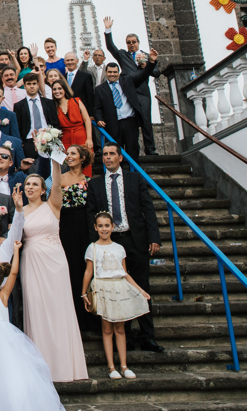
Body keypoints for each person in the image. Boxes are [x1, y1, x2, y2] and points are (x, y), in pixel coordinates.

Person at [0, 242, 63, 411]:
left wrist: (16, 250)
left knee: (9, 375)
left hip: (4, 343)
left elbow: (14, 272)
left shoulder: (2, 295)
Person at [87, 142, 163, 353]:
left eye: (112, 154)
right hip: (111, 243)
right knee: (118, 288)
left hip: (135, 238)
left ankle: (147, 335)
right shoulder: (96, 184)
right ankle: (126, 336)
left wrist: (153, 237)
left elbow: (148, 208)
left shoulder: (134, 178)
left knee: (142, 287)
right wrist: (96, 244)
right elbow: (91, 214)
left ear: (120, 157)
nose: (108, 157)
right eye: (105, 155)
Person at [18, 160, 88, 382]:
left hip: (55, 262)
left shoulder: (52, 205)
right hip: (31, 262)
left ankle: (66, 366)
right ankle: (43, 366)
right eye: (27, 184)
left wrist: (56, 160)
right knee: (36, 308)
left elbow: (57, 184)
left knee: (60, 309)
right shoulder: (20, 209)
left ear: (42, 189)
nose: (30, 187)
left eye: (34, 184)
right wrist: (17, 211)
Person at [83, 210, 151, 380]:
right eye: (100, 226)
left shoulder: (119, 248)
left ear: (113, 227)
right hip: (103, 288)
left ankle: (124, 365)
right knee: (107, 329)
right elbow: (88, 272)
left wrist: (140, 290)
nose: (104, 229)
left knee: (120, 328)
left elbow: (125, 272)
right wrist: (84, 293)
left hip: (119, 287)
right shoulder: (93, 247)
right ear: (95, 227)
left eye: (107, 225)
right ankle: (111, 367)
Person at [103, 17, 162, 156]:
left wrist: (146, 65)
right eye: (128, 42)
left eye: (133, 42)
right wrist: (108, 30)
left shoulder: (148, 56)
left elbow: (157, 73)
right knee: (130, 123)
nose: (131, 44)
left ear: (138, 43)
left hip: (142, 93)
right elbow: (111, 46)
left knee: (146, 121)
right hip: (127, 93)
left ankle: (150, 149)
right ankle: (131, 150)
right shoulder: (122, 55)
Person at [92, 52, 159, 165]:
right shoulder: (100, 89)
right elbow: (97, 108)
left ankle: (134, 176)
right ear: (106, 73)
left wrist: (151, 62)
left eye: (115, 72)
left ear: (119, 73)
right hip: (113, 124)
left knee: (132, 150)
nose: (112, 75)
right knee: (115, 153)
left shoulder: (127, 81)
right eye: (110, 72)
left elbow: (142, 75)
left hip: (130, 122)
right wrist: (99, 119)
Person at [59, 144, 97, 333]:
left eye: (73, 153)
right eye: (67, 154)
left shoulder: (90, 182)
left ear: (83, 158)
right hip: (65, 228)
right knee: (71, 270)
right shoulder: (58, 179)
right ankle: (76, 322)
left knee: (87, 271)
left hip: (85, 228)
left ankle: (92, 318)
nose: (69, 156)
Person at [13, 71, 59, 178]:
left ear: (38, 84)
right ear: (24, 86)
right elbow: (18, 126)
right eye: (29, 84)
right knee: (33, 171)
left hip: (48, 140)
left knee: (51, 169)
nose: (32, 86)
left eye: (34, 83)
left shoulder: (48, 103)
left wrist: (54, 139)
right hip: (29, 142)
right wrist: (22, 142)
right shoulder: (19, 106)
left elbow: (55, 122)